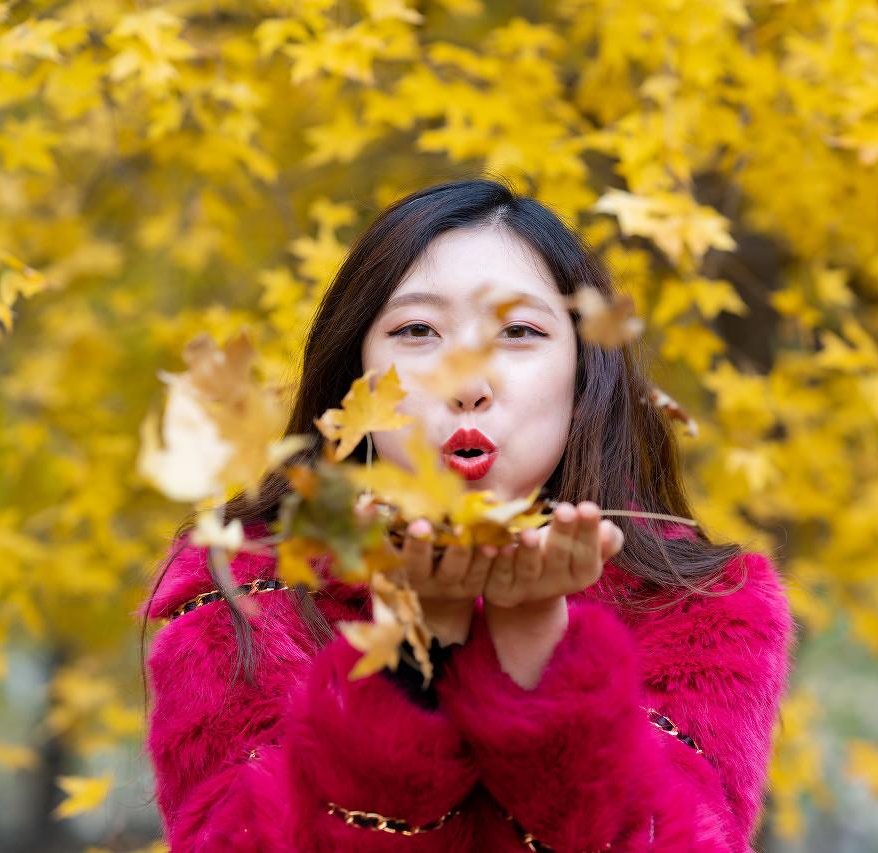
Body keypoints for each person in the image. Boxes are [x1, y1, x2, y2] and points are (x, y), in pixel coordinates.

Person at [136, 176, 797, 851]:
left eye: (519, 331)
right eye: (417, 330)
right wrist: (406, 666)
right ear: (353, 376)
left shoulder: (700, 606)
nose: (468, 384)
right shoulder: (246, 593)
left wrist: (539, 650)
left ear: (583, 375)